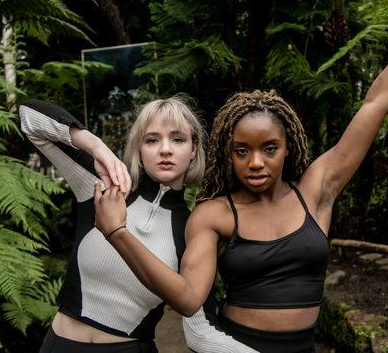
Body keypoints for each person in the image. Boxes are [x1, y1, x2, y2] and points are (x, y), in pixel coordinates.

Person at [93, 1, 388, 352]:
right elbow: (190, 296)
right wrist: (118, 234)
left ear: (288, 147)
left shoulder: (316, 190)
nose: (256, 162)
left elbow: (376, 101)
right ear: (228, 154)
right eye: (242, 151)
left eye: (269, 149)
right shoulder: (214, 215)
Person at [19, 96, 257, 353]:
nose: (165, 149)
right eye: (152, 139)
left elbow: (201, 329)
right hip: (60, 345)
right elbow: (29, 117)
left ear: (194, 149)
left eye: (177, 139)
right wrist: (96, 147)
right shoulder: (103, 187)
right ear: (139, 148)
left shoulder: (193, 229)